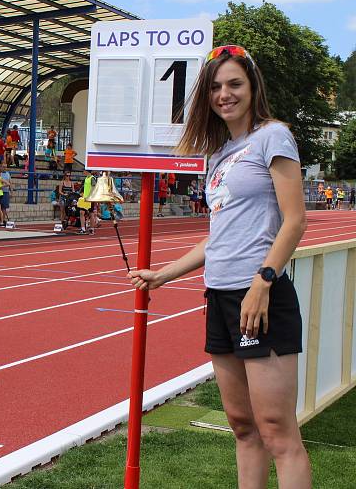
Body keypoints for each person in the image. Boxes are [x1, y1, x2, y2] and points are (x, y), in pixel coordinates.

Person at [128, 44, 311, 488]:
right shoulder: (218, 155)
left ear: (252, 87)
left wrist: (263, 281)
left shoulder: (273, 136)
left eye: (234, 84)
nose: (224, 94)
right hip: (221, 297)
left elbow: (295, 219)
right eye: (215, 87)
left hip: (260, 298)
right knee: (242, 426)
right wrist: (164, 273)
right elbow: (220, 235)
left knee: (277, 431)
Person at [78, 168, 97, 235]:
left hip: (90, 198)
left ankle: (92, 229)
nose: (83, 172)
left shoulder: (92, 178)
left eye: (84, 171)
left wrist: (89, 196)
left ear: (87, 171)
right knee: (81, 212)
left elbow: (94, 187)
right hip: (85, 198)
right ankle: (83, 228)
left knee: (91, 213)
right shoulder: (86, 178)